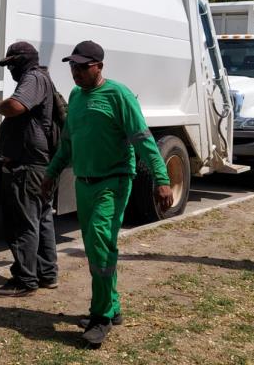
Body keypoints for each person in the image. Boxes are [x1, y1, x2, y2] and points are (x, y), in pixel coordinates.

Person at [42, 40, 173, 348]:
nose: (76, 72)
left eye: (82, 67)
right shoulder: (75, 96)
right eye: (72, 66)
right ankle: (111, 306)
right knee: (98, 247)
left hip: (113, 182)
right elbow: (69, 142)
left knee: (100, 246)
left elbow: (143, 139)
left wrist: (161, 179)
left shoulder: (119, 95)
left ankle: (99, 316)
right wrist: (51, 173)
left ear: (99, 66)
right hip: (84, 182)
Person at [0, 41, 59, 298]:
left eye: (11, 65)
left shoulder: (33, 77)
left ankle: (24, 280)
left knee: (23, 223)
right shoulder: (39, 77)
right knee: (41, 220)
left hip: (28, 166)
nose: (9, 70)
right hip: (36, 165)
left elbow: (16, 106)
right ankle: (46, 274)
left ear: (23, 61)